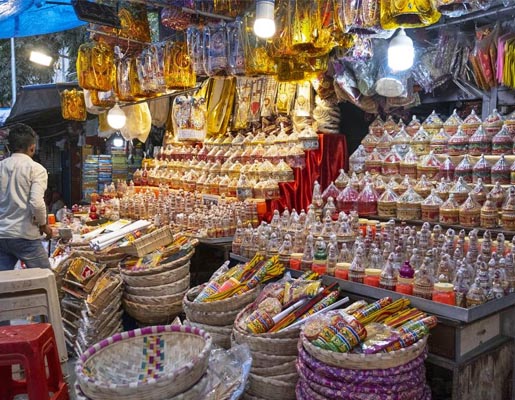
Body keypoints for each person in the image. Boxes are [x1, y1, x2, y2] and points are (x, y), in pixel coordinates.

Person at [0, 123, 52, 271]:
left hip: (2, 236)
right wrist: (43, 225)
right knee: (46, 278)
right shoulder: (36, 169)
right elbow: (36, 203)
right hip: (25, 236)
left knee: (2, 283)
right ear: (32, 147)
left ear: (9, 147)